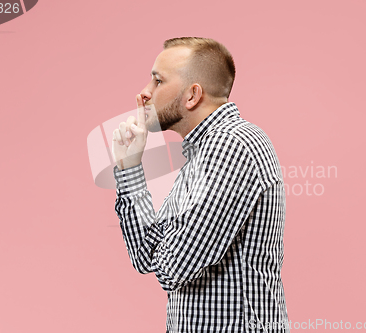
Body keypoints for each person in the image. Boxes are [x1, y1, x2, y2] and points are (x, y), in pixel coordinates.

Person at [112, 37, 289, 332]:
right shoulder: (201, 155)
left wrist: (165, 250)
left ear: (192, 95)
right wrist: (129, 167)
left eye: (157, 81)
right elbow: (147, 256)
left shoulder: (231, 145)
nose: (143, 93)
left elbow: (172, 269)